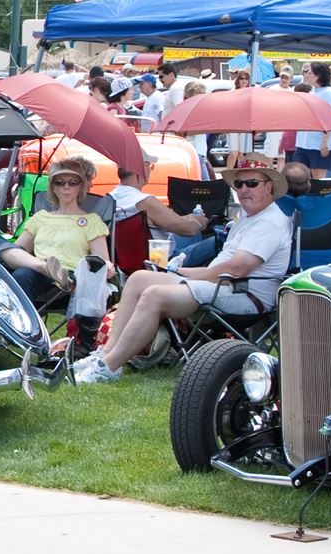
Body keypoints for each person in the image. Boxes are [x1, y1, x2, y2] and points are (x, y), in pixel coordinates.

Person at [74, 153, 291, 383]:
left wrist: (188, 275)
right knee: (139, 278)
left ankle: (108, 367)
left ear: (269, 187)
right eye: (239, 184)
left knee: (155, 294)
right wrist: (178, 272)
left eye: (252, 183)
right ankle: (104, 353)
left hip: (244, 295)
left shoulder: (270, 222)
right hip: (223, 286)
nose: (244, 189)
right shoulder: (249, 217)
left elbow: (237, 269)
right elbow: (223, 268)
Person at [0, 157, 109, 299]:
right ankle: (43, 267)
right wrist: (41, 266)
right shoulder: (41, 217)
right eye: (59, 182)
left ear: (81, 186)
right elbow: (16, 251)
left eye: (72, 183)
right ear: (53, 187)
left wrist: (108, 266)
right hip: (38, 270)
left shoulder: (91, 221)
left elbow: (103, 261)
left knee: (21, 274)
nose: (66, 187)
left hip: (68, 279)